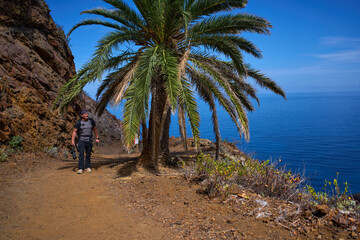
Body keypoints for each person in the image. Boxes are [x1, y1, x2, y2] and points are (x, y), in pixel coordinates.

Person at [71, 110, 100, 174]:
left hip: (89, 140)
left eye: (87, 113)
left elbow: (95, 129)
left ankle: (88, 167)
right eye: (85, 114)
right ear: (81, 115)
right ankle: (80, 168)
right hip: (81, 140)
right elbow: (74, 131)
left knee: (88, 154)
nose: (87, 115)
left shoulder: (91, 121)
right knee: (81, 154)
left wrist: (97, 138)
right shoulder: (79, 122)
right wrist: (72, 141)